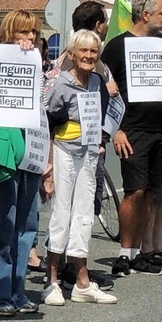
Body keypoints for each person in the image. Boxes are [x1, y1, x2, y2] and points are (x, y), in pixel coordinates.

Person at [0, 9, 49, 317]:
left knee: (27, 226)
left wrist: (48, 154)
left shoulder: (37, 63)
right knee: (0, 223)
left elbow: (41, 110)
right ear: (9, 34)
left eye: (34, 33)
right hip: (3, 150)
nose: (30, 38)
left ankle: (17, 291)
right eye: (23, 32)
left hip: (31, 148)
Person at [102, 0, 162, 276]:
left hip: (160, 127)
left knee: (150, 192)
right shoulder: (117, 46)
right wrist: (117, 128)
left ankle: (138, 252)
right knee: (134, 191)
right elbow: (102, 89)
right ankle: (124, 253)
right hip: (132, 128)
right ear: (146, 15)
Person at [41, 31, 118, 305]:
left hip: (89, 153)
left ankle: (82, 281)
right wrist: (48, 165)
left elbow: (105, 113)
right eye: (83, 51)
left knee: (84, 213)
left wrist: (100, 139)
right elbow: (48, 125)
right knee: (61, 212)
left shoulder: (97, 82)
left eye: (93, 52)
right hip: (63, 150)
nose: (88, 56)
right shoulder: (60, 85)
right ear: (72, 55)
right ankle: (51, 279)